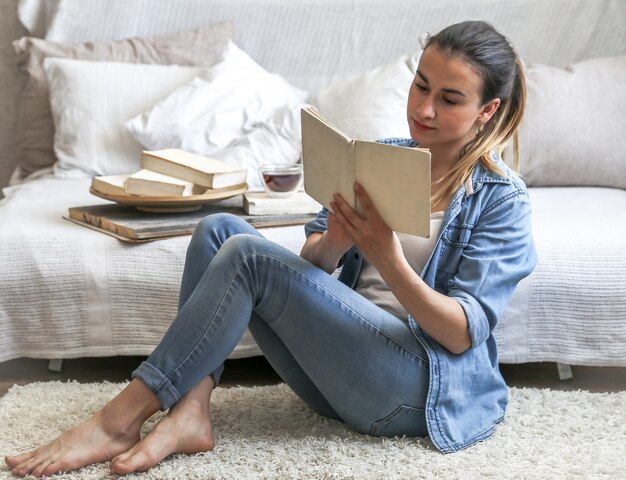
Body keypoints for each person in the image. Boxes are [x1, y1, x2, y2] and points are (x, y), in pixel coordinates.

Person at [5, 20, 536, 477]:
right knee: (217, 229)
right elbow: (311, 272)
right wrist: (336, 241)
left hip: (415, 391)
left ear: (487, 111)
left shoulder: (500, 199)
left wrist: (388, 257)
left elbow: (462, 333)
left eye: (448, 99)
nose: (422, 108)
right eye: (420, 86)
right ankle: (190, 411)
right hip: (338, 377)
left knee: (247, 257)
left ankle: (117, 419)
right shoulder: (384, 159)